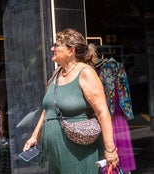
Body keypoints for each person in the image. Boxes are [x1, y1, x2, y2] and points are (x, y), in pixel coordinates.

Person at [23, 28, 119, 173]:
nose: (52, 48)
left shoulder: (86, 73)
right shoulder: (56, 74)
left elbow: (102, 112)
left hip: (78, 153)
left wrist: (110, 148)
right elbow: (48, 110)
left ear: (71, 50)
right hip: (56, 155)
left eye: (57, 45)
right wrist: (34, 136)